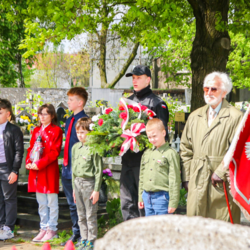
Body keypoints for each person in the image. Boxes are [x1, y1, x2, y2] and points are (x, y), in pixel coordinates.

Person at [180, 72, 243, 223]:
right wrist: (187, 178)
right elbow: (185, 149)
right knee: (196, 229)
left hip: (221, 184)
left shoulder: (235, 117)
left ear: (224, 92)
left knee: (221, 229)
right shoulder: (195, 116)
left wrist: (221, 171)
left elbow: (238, 150)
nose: (208, 93)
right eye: (205, 89)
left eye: (213, 89)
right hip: (197, 181)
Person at [121, 65, 169, 221]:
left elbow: (162, 135)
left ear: (148, 80)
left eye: (138, 77)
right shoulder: (127, 101)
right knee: (127, 203)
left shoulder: (157, 103)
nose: (135, 81)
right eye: (133, 78)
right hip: (128, 160)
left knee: (143, 205)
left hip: (145, 162)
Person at [26, 104, 63, 242]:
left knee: (51, 202)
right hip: (36, 171)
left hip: (48, 169)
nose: (42, 116)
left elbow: (55, 152)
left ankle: (52, 229)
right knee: (41, 202)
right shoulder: (36, 130)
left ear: (52, 116)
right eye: (40, 113)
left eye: (45, 114)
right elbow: (31, 148)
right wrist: (28, 162)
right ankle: (43, 228)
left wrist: (39, 164)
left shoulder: (57, 130)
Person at [61, 87, 88, 246]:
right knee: (72, 204)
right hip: (67, 166)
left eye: (71, 100)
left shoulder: (84, 121)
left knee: (81, 204)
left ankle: (84, 235)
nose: (68, 102)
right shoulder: (69, 120)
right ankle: (75, 233)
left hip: (79, 168)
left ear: (80, 102)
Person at [138, 119, 181, 216]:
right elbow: (141, 177)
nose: (152, 139)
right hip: (146, 196)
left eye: (154, 136)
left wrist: (173, 202)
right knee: (150, 227)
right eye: (149, 137)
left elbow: (174, 179)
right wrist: (140, 197)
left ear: (163, 132)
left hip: (162, 198)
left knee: (163, 228)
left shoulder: (170, 154)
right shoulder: (147, 153)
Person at [72, 118, 103, 250]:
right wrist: (74, 189)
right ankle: (84, 239)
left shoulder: (94, 148)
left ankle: (91, 240)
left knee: (90, 214)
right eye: (78, 132)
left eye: (83, 132)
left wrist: (96, 190)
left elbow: (98, 171)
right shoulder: (75, 148)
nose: (80, 135)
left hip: (89, 184)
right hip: (77, 183)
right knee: (81, 214)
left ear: (90, 133)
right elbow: (73, 170)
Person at [0, 99, 24, 240]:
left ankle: (8, 228)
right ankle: (1, 225)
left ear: (8, 114)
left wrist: (14, 170)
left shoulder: (14, 130)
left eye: (0, 112)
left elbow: (18, 152)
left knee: (9, 198)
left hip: (7, 168)